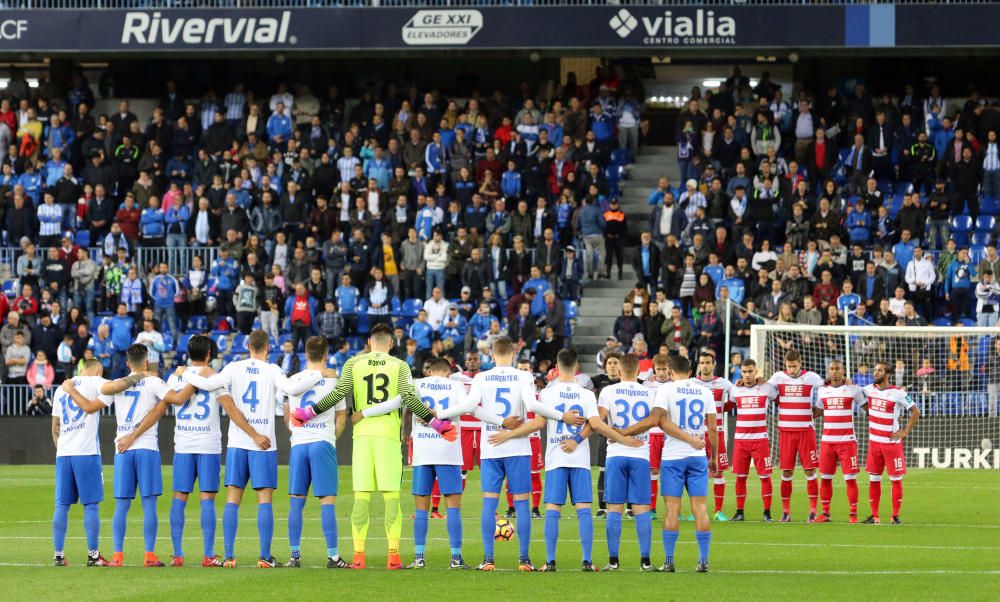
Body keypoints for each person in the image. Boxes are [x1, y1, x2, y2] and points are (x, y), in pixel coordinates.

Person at [289, 324, 451, 570]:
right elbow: (409, 398)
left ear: (369, 341)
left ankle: (358, 556)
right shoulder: (400, 365)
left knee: (361, 498)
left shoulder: (354, 363)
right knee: (391, 498)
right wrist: (437, 423)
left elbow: (338, 394)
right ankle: (394, 555)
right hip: (387, 435)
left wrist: (309, 412)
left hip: (362, 436)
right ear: (391, 343)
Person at [492, 349, 639, 573]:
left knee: (552, 509)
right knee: (583, 510)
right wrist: (622, 439)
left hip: (556, 457)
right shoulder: (587, 394)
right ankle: (587, 561)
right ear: (577, 366)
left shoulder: (547, 394)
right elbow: (597, 425)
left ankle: (550, 562)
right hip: (579, 457)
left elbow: (538, 424)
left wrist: (507, 433)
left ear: (557, 367)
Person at [445, 337, 580, 572]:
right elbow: (533, 406)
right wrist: (561, 416)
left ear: (492, 355)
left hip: (491, 446)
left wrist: (439, 414)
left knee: (489, 503)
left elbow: (469, 407)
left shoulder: (482, 377)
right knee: (521, 504)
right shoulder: (524, 376)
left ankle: (488, 559)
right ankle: (524, 560)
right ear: (514, 354)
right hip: (518, 448)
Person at [184, 330, 316, 568]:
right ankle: (265, 557)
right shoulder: (273, 370)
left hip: (237, 442)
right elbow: (292, 389)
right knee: (264, 499)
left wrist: (186, 372)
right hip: (263, 442)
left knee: (233, 499)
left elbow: (207, 383)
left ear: (248, 346)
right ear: (268, 348)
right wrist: (317, 375)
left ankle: (228, 556)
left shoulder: (234, 368)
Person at [62, 344, 194, 567]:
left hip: (122, 448)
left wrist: (71, 390)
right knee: (149, 503)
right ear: (146, 360)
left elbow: (90, 407)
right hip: (146, 447)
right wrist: (192, 378)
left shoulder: (117, 386)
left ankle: (117, 556)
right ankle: (149, 556)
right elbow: (178, 399)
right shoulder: (154, 381)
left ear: (127, 362)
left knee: (122, 506)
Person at [114, 335, 231, 567]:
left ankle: (177, 554)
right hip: (208, 444)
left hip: (183, 445)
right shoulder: (214, 377)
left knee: (179, 498)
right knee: (207, 499)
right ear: (208, 354)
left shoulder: (174, 378)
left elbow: (166, 405)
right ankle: (208, 555)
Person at [618, 354, 715, 573]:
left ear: (670, 372)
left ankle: (669, 561)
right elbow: (713, 428)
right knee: (700, 508)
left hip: (673, 457)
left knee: (672, 509)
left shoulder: (666, 390)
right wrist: (714, 456)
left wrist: (624, 432)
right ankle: (703, 560)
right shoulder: (705, 391)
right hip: (698, 456)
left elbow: (657, 421)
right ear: (691, 372)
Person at [49, 362, 150, 567]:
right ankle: (93, 556)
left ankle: (58, 555)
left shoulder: (61, 389)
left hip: (64, 453)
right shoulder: (95, 381)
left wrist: (62, 448)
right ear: (97, 371)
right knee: (91, 504)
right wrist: (139, 376)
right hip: (86, 452)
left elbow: (55, 427)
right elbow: (116, 386)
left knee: (62, 505)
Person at [281, 337, 349, 568]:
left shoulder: (293, 380)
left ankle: (294, 556)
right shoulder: (333, 380)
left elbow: (287, 416)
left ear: (305, 353)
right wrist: (331, 438)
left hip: (299, 444)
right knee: (327, 501)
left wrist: (298, 433)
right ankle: (333, 556)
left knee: (296, 502)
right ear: (326, 353)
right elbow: (342, 416)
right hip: (322, 442)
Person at [596, 353, 655, 572]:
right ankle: (646, 562)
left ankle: (613, 561)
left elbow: (597, 421)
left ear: (619, 371)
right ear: (638, 371)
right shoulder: (649, 392)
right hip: (640, 453)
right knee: (641, 508)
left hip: (616, 454)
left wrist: (616, 434)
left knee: (614, 508)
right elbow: (653, 420)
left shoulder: (608, 391)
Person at [767, 349, 825, 522]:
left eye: (794, 366)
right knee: (786, 471)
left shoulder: (811, 377)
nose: (792, 370)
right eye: (789, 366)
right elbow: (764, 389)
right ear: (785, 365)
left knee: (810, 470)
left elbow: (826, 390)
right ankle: (786, 511)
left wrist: (818, 409)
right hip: (786, 431)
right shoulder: (778, 377)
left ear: (800, 364)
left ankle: (813, 510)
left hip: (806, 430)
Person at [861, 362, 921, 524]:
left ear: (887, 374)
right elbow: (852, 390)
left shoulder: (898, 393)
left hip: (891, 444)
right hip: (874, 443)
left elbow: (916, 411)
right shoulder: (868, 389)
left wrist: (905, 431)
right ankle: (874, 516)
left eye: (879, 370)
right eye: (875, 370)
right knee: (873, 479)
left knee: (895, 479)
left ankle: (895, 516)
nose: (876, 373)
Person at [812, 360, 865, 524]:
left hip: (847, 441)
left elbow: (867, 406)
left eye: (837, 369)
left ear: (843, 371)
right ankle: (825, 513)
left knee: (850, 478)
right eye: (831, 369)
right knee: (826, 478)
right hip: (827, 441)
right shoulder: (822, 390)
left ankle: (853, 515)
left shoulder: (852, 389)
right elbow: (818, 411)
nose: (834, 372)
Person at [693, 352, 733, 521]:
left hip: (717, 433)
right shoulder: (692, 383)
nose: (705, 366)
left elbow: (737, 396)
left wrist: (723, 408)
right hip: (697, 435)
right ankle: (697, 511)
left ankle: (718, 511)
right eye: (702, 362)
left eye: (708, 362)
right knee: (695, 473)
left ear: (714, 364)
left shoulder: (724, 384)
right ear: (699, 365)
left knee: (719, 472)